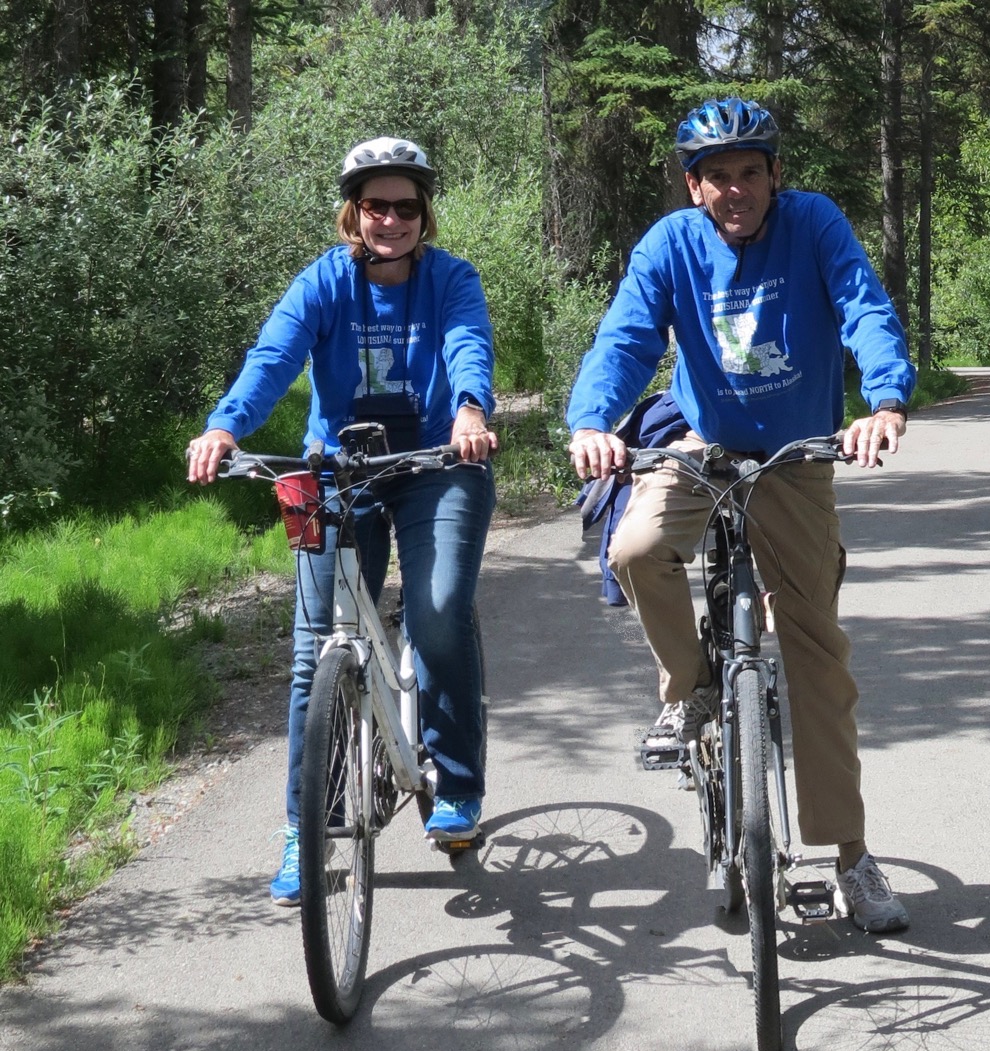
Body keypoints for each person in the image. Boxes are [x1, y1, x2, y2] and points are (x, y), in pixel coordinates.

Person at [566, 98, 915, 933]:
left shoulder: (815, 225)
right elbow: (625, 338)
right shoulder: (670, 245)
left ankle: (851, 859)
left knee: (817, 657)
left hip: (796, 454)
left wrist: (886, 400)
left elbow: (864, 307)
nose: (735, 189)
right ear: (694, 187)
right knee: (636, 548)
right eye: (716, 175)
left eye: (749, 172)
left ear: (774, 177)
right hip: (707, 441)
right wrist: (590, 421)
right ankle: (688, 693)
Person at [188, 136, 497, 905]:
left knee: (435, 611)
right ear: (352, 214)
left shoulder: (451, 279)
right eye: (375, 206)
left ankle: (455, 785)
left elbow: (467, 346)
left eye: (404, 206)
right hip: (338, 473)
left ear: (424, 214)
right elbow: (273, 357)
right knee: (311, 652)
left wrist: (469, 408)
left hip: (436, 467)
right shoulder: (323, 282)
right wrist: (226, 425)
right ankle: (307, 827)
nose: (390, 219)